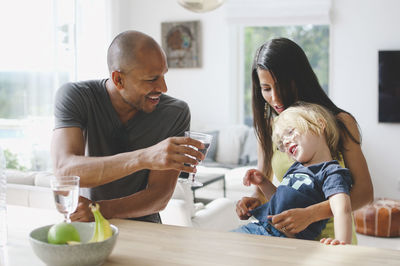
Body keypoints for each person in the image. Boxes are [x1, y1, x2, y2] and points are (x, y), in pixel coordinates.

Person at [51, 30, 205, 223]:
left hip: (143, 228)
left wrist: (99, 210)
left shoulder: (175, 112)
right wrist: (145, 157)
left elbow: (160, 196)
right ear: (118, 80)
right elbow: (64, 171)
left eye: (163, 75)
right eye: (151, 79)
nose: (163, 88)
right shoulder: (76, 96)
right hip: (87, 226)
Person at [235, 38, 373, 243]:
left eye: (281, 85)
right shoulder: (269, 129)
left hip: (333, 242)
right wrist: (255, 200)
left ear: (299, 79)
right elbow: (271, 190)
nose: (275, 98)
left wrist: (312, 214)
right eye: (266, 88)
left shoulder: (339, 122)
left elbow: (364, 193)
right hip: (284, 242)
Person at [233, 102, 353, 245]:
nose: (286, 142)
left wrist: (341, 243)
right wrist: (264, 183)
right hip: (259, 227)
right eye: (282, 144)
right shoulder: (296, 168)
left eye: (290, 132)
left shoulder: (331, 171)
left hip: (285, 240)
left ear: (320, 124)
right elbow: (280, 201)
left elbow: (342, 209)